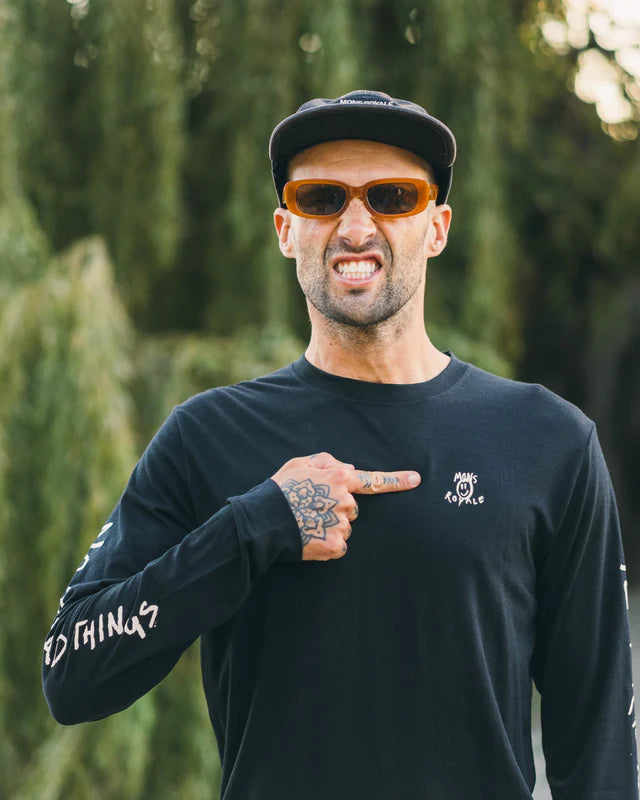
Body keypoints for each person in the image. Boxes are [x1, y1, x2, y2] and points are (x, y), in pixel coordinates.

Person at [42, 90, 638, 799]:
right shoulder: (206, 436)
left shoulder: (548, 441)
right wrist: (252, 528)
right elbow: (70, 672)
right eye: (322, 198)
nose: (356, 227)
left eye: (393, 196)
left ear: (437, 227)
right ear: (285, 229)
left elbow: (600, 746)